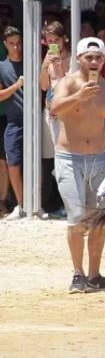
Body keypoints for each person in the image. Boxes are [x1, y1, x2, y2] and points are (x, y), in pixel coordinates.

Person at [50, 37, 105, 292]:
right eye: (89, 57)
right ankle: (78, 274)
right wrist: (79, 96)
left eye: (99, 57)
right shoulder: (68, 83)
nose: (95, 61)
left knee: (98, 219)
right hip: (69, 158)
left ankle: (95, 275)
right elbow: (54, 108)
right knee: (77, 220)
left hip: (98, 158)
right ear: (78, 59)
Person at [0, 26, 25, 220]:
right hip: (14, 121)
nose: (16, 48)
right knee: (13, 163)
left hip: (34, 120)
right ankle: (21, 204)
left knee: (40, 162)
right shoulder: (1, 67)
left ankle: (37, 202)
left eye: (18, 43)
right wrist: (16, 86)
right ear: (5, 44)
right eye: (11, 44)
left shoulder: (31, 61)